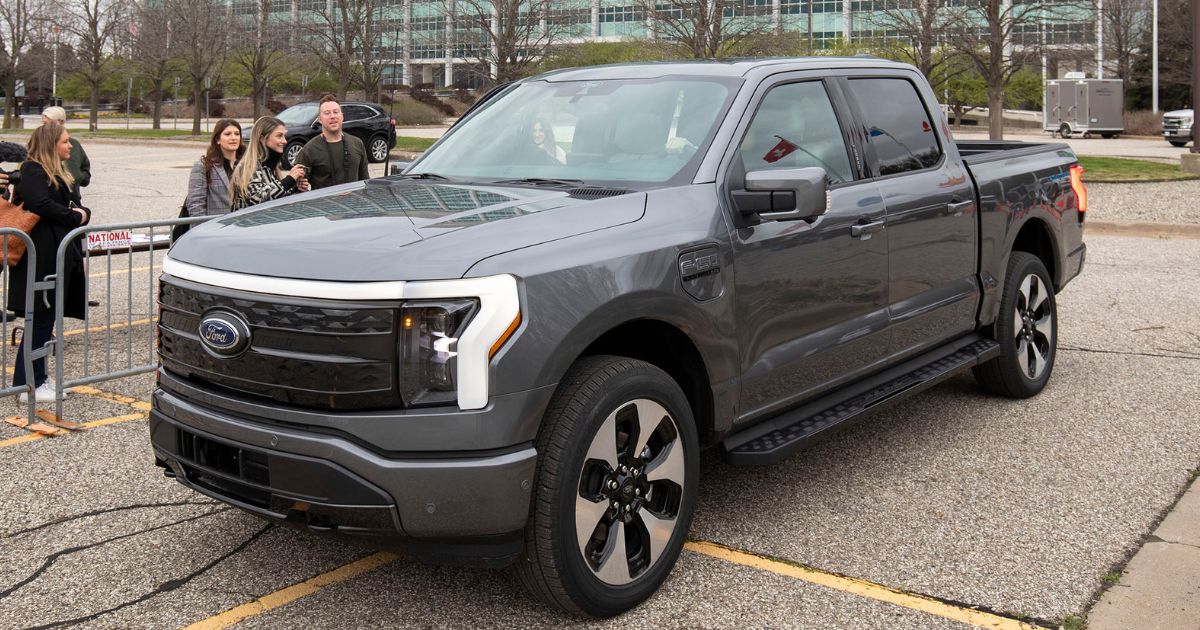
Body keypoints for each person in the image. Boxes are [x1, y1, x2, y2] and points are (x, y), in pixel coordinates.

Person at [8, 122, 92, 403]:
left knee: (45, 320)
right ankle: (28, 384)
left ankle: (37, 378)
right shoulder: (33, 170)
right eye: (66, 141)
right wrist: (74, 216)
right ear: (51, 144)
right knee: (39, 319)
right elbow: (39, 204)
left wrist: (81, 212)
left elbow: (68, 204)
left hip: (55, 255)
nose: (70, 146)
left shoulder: (54, 171)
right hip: (40, 258)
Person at [230, 116, 309, 210]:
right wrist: (289, 180)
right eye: (279, 136)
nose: (284, 141)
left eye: (284, 136)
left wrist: (296, 188)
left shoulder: (272, 167)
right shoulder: (249, 167)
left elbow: (276, 202)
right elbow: (257, 199)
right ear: (262, 139)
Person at [293, 94, 369, 190]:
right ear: (320, 119)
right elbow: (298, 188)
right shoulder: (309, 150)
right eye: (327, 113)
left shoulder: (357, 144)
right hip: (323, 204)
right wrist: (299, 186)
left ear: (342, 116)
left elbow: (365, 181)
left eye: (336, 112)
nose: (332, 116)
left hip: (353, 204)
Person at [186, 119, 244, 217]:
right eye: (228, 134)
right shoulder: (203, 166)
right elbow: (196, 204)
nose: (233, 138)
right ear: (217, 139)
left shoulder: (247, 165)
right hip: (216, 227)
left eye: (237, 134)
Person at [40, 106, 91, 193]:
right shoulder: (37, 143)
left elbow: (85, 169)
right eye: (44, 123)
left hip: (72, 196)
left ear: (62, 122)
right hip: (47, 195)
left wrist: (78, 177)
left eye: (50, 124)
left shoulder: (73, 144)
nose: (46, 127)